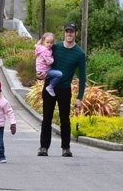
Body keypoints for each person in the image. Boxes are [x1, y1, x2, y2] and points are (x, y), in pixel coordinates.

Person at [37, 22, 87, 158]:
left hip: (65, 89)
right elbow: (41, 59)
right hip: (49, 87)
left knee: (65, 119)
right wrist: (39, 74)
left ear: (76, 33)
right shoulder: (55, 47)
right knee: (46, 118)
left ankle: (66, 148)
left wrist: (79, 98)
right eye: (67, 31)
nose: (69, 34)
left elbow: (83, 77)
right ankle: (43, 147)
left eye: (71, 31)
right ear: (64, 33)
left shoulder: (79, 54)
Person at [35, 32, 64, 97]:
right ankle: (50, 87)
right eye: (47, 42)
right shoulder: (45, 51)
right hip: (44, 70)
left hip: (40, 69)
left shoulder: (40, 48)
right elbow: (49, 62)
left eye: (51, 43)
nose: (49, 44)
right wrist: (52, 58)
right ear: (43, 42)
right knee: (59, 74)